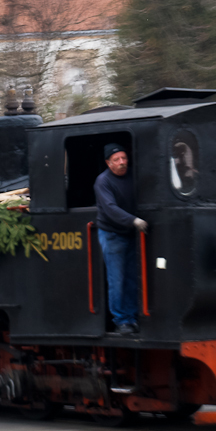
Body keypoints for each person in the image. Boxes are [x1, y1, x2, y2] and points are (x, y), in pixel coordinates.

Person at [94, 143, 148, 336]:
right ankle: (121, 321)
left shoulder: (134, 175)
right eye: (117, 160)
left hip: (130, 233)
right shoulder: (103, 182)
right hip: (112, 234)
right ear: (109, 163)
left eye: (124, 158)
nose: (122, 162)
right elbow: (110, 209)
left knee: (132, 278)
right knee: (117, 279)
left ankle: (132, 317)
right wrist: (133, 220)